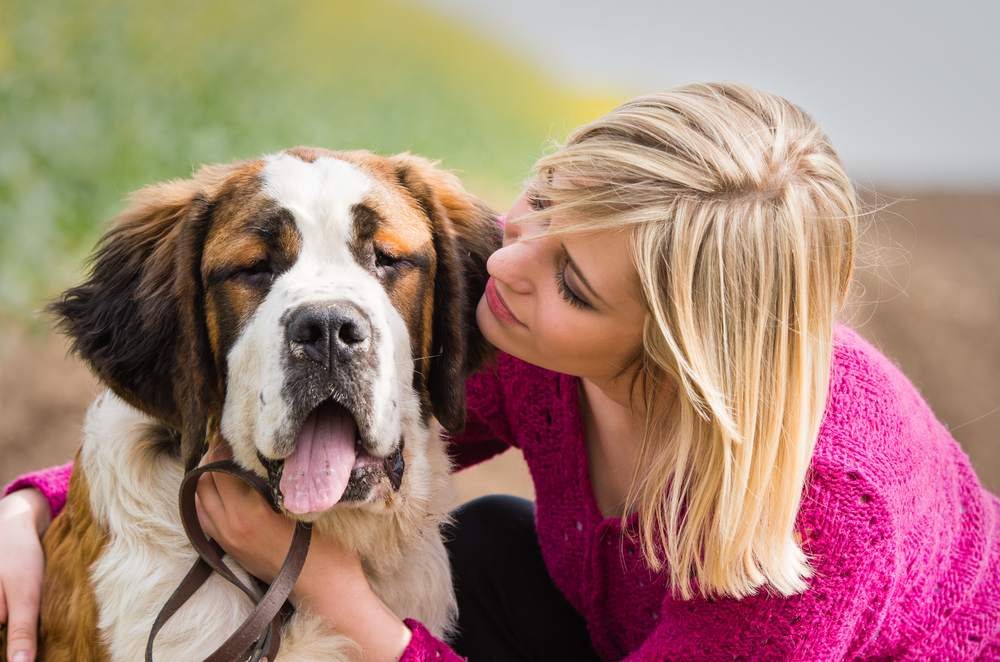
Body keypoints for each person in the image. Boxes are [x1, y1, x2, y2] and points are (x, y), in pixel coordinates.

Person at [2, 82, 998, 661]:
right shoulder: (531, 339)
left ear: (669, 350)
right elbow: (251, 399)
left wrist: (345, 595)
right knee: (482, 539)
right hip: (630, 632)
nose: (504, 264)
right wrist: (38, 503)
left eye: (570, 277)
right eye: (545, 200)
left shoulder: (823, 513)